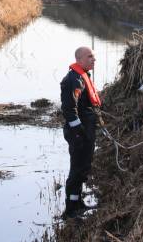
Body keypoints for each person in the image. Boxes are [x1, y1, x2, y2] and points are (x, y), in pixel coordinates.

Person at [60, 46, 101, 219]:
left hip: (86, 132)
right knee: (76, 170)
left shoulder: (83, 77)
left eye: (94, 56)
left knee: (83, 168)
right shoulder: (73, 80)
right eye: (90, 56)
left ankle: (78, 204)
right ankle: (70, 210)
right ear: (79, 60)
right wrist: (79, 133)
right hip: (79, 134)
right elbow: (69, 110)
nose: (94, 59)